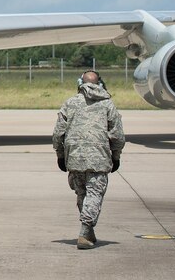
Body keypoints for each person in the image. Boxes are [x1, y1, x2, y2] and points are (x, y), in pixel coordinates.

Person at [52, 69, 125, 249]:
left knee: (82, 194)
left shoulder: (70, 103)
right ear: (99, 84)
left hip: (75, 158)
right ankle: (85, 230)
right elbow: (117, 135)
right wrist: (116, 156)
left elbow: (57, 133)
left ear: (80, 83)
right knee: (94, 194)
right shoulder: (108, 105)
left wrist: (60, 155)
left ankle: (88, 230)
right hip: (98, 159)